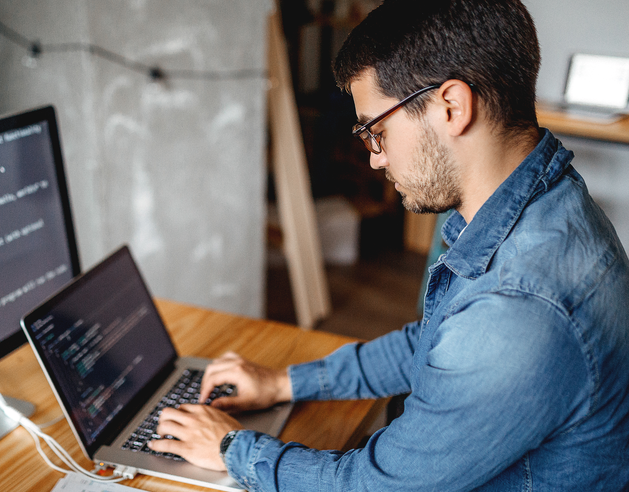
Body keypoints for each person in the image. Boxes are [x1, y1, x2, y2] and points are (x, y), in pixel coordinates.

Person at [147, 0, 629, 490]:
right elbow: (437, 344)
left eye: (376, 131)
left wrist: (232, 449)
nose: (375, 160)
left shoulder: (517, 305)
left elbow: (376, 486)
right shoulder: (548, 202)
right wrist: (284, 382)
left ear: (451, 107)